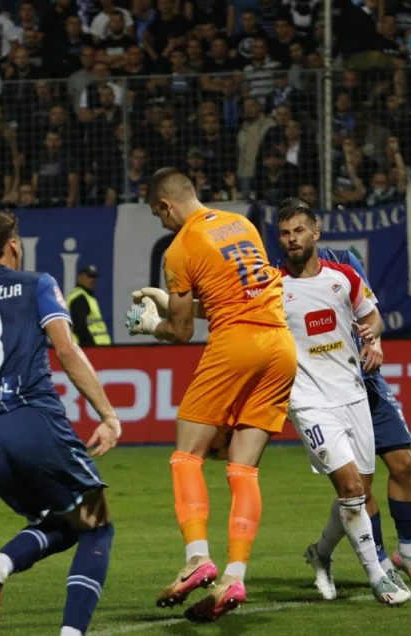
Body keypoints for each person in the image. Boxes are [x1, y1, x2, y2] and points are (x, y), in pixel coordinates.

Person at [0, 211, 120, 636]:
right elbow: (66, 350)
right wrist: (108, 415)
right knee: (98, 525)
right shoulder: (37, 284)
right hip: (31, 420)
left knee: (63, 521)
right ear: (14, 245)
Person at [124, 169, 296, 622]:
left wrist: (151, 324)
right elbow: (232, 295)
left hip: (235, 344)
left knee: (187, 456)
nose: (162, 223)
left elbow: (181, 332)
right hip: (280, 346)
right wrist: (171, 301)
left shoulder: (180, 248)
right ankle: (235, 576)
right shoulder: (242, 224)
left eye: (158, 215)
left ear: (166, 205)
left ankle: (198, 558)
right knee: (243, 468)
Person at [277, 199, 411, 594]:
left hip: (362, 385)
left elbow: (370, 314)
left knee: (400, 466)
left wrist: (373, 338)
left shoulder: (344, 267)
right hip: (313, 397)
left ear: (316, 231)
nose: (292, 239)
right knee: (354, 490)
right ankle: (379, 568)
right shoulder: (273, 283)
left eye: (299, 230)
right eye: (285, 233)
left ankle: (396, 553)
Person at [67, 265, 110, 347]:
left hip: (98, 348)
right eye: (89, 277)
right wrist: (91, 346)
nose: (92, 280)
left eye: (94, 277)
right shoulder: (79, 298)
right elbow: (79, 327)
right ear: (80, 278)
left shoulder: (87, 297)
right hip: (90, 348)